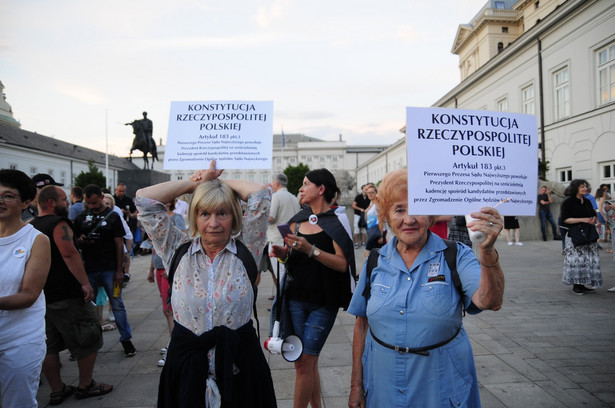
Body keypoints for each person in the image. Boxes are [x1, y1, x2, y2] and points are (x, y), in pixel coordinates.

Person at [347, 169, 505, 407]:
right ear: (387, 216)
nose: (409, 219)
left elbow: (490, 301)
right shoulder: (375, 261)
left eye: (418, 209)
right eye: (399, 209)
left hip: (441, 388)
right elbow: (361, 325)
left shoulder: (455, 254)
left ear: (432, 216)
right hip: (383, 388)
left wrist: (487, 251)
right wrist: (356, 387)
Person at [135, 160, 276, 407]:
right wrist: (196, 183)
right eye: (205, 213)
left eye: (222, 213)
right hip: (187, 369)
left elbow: (261, 194)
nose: (213, 223)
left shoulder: (247, 247)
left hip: (239, 366)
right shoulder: (174, 248)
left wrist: (216, 183)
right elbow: (145, 200)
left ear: (234, 216)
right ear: (194, 216)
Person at [270, 168, 356, 408]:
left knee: (305, 360)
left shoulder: (337, 220)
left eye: (306, 183)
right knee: (307, 362)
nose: (300, 187)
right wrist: (283, 255)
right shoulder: (297, 220)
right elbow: (292, 262)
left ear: (321, 189)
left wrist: (311, 250)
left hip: (324, 301)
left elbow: (342, 265)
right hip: (296, 298)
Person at [31, 185, 113, 404]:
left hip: (43, 296)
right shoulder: (58, 223)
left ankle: (57, 390)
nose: (68, 204)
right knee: (88, 336)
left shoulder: (30, 225)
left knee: (49, 345)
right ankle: (86, 385)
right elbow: (68, 253)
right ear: (51, 203)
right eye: (64, 200)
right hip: (66, 294)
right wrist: (85, 283)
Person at [0, 169, 51, 408]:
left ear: (26, 202)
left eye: (8, 196)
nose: (0, 200)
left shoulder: (36, 240)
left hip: (19, 339)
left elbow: (29, 295)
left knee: (17, 402)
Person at [74, 184, 137, 357]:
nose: (92, 207)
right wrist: (81, 241)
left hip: (110, 269)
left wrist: (120, 270)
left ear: (102, 198)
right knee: (89, 307)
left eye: (95, 202)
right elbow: (75, 241)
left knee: (117, 304)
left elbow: (119, 244)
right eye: (89, 204)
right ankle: (90, 342)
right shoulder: (81, 217)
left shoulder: (113, 216)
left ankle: (126, 339)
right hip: (90, 269)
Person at [147, 199, 186, 367]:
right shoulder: (155, 220)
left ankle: (175, 347)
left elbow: (182, 244)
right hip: (159, 268)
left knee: (170, 310)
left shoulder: (176, 218)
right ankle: (174, 342)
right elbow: (156, 246)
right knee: (167, 310)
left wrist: (171, 269)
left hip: (169, 270)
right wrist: (151, 269)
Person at [560, 179, 602, 295]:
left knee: (587, 260)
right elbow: (565, 219)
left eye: (585, 186)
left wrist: (594, 220)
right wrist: (583, 220)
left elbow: (592, 215)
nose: (585, 188)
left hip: (588, 234)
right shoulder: (568, 202)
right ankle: (576, 285)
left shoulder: (587, 201)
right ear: (576, 188)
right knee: (577, 260)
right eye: (582, 186)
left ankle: (583, 284)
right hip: (575, 235)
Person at [267, 173, 301, 291]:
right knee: (289, 271)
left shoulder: (276, 196)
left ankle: (284, 300)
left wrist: (259, 216)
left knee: (280, 273)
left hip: (277, 239)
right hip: (291, 238)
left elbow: (271, 217)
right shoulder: (294, 198)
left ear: (276, 183)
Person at [363, 185, 386, 260]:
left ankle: (365, 271)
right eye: (368, 192)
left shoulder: (377, 205)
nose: (369, 194)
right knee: (375, 255)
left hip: (376, 232)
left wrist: (381, 236)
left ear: (376, 193)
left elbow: (381, 220)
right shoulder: (371, 204)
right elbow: (366, 220)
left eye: (372, 192)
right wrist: (366, 212)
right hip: (371, 231)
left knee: (367, 253)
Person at [352, 184, 371, 248]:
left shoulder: (368, 197)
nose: (366, 191)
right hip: (357, 215)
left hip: (365, 215)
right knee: (356, 228)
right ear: (362, 189)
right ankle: (356, 243)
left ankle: (363, 242)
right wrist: (360, 209)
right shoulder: (358, 197)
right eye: (365, 189)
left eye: (367, 189)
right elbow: (353, 205)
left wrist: (366, 210)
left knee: (364, 229)